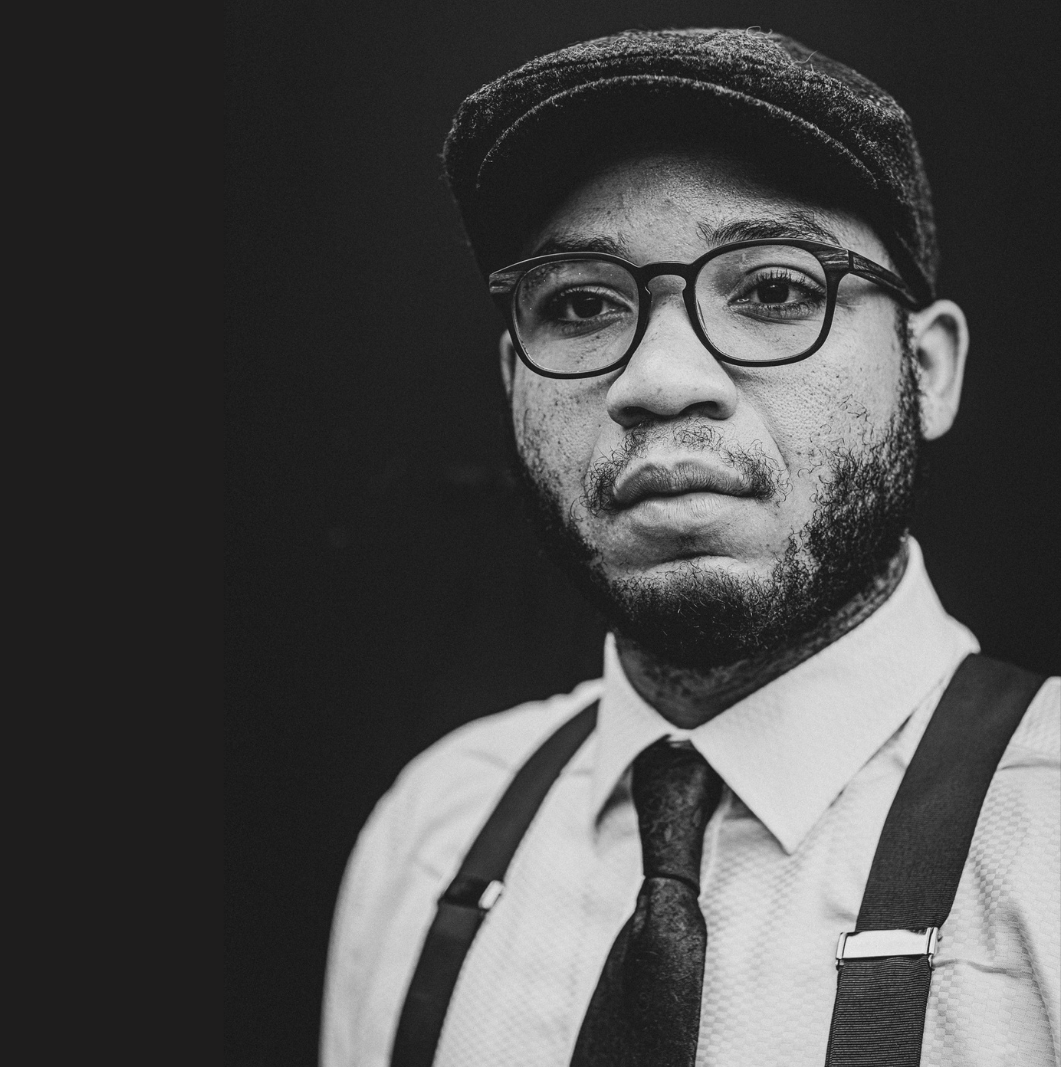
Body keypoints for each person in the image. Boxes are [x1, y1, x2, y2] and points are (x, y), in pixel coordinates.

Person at [321, 27, 1059, 1067]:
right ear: (510, 381)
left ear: (927, 368)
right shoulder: (434, 827)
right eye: (580, 304)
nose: (659, 379)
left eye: (773, 290)